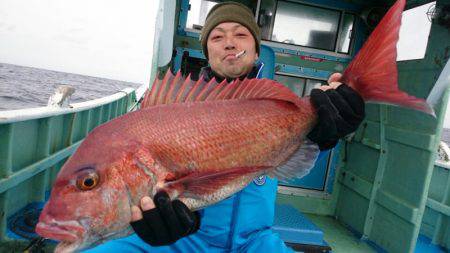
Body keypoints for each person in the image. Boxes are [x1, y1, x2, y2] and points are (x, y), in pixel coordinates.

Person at [85, 2, 364, 252]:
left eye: (241, 34)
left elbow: (300, 164)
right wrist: (171, 217)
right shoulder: (168, 110)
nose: (229, 43)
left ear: (257, 50)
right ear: (207, 51)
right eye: (217, 37)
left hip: (256, 241)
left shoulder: (281, 105)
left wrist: (327, 130)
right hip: (186, 239)